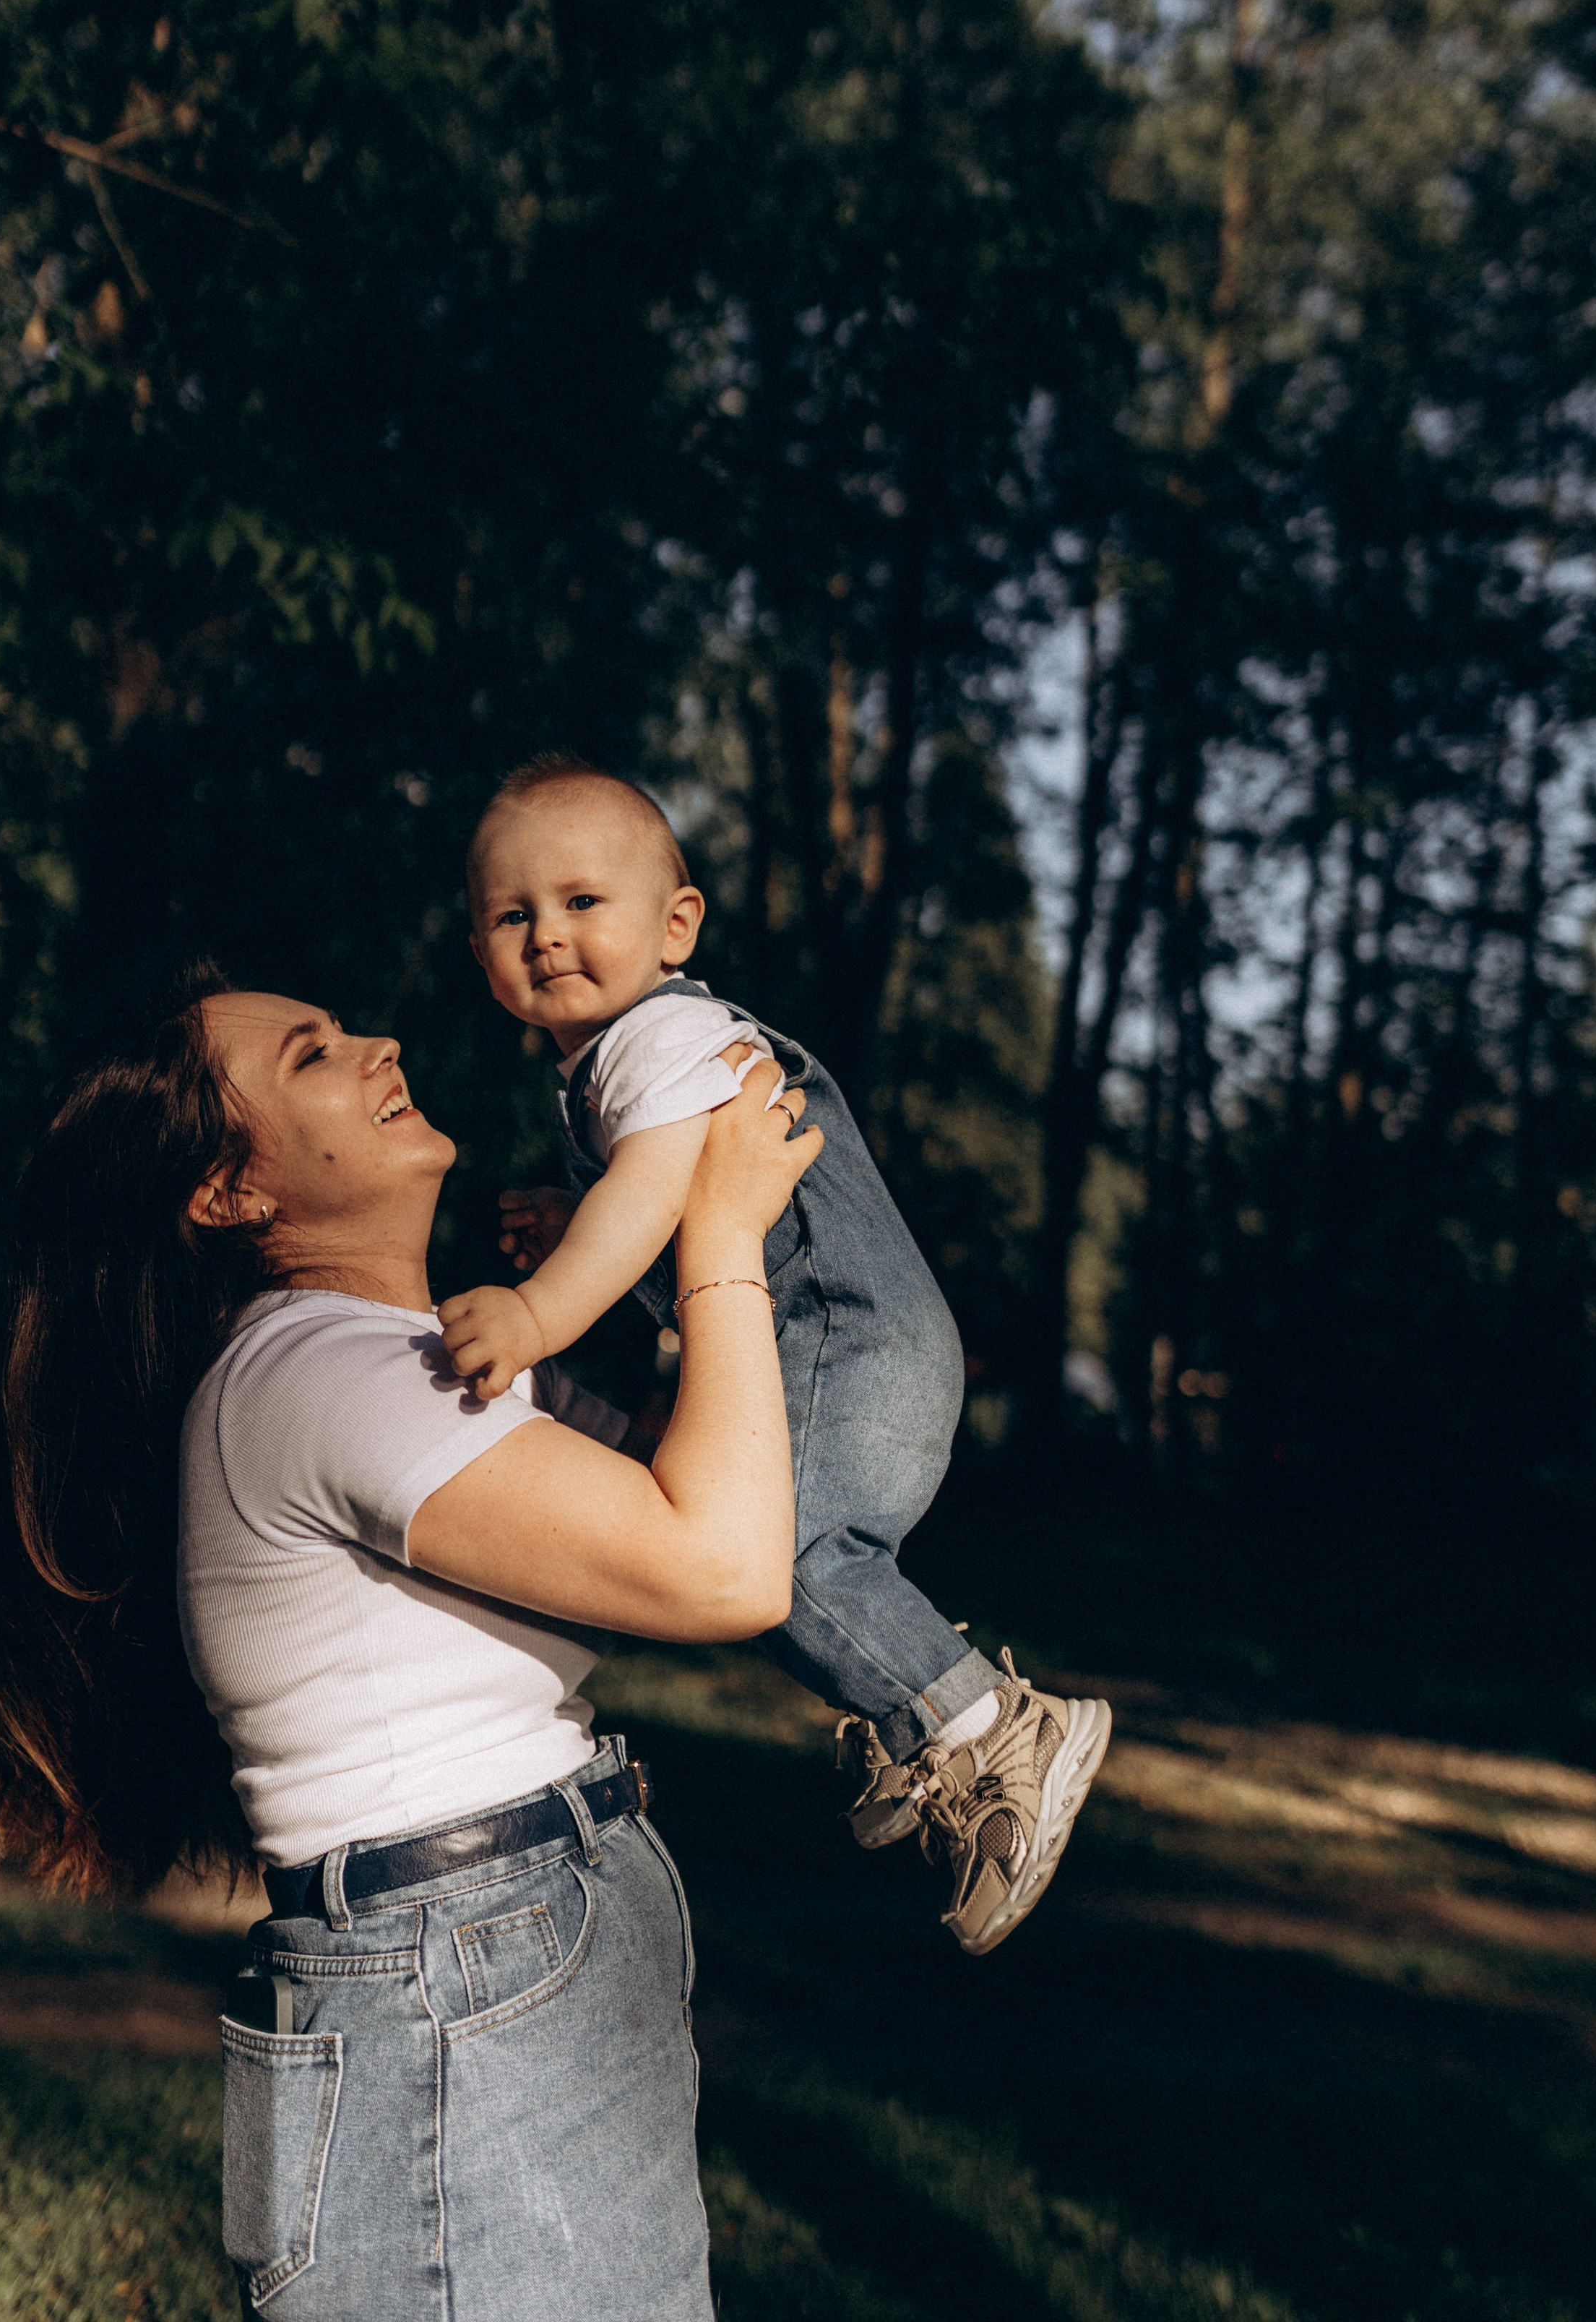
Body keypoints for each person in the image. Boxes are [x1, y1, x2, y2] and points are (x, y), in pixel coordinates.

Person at [0, 962, 816, 2322]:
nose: (378, 1044)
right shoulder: (321, 1374)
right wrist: (717, 1235)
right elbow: (724, 1564)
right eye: (312, 1056)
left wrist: (626, 1288)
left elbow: (685, 1476)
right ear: (229, 1194)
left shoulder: (401, 1355)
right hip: (458, 1965)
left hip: (473, 1953)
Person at [439, 756, 1112, 1957]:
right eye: (511, 914)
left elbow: (658, 1196)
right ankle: (930, 1727)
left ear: (675, 924)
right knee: (757, 1553)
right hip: (861, 1346)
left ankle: (988, 1728)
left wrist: (541, 1310)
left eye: (583, 902)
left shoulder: (662, 1035)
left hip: (853, 1340)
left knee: (772, 1558)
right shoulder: (628, 1065)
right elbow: (695, 1227)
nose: (546, 935)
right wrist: (576, 1212)